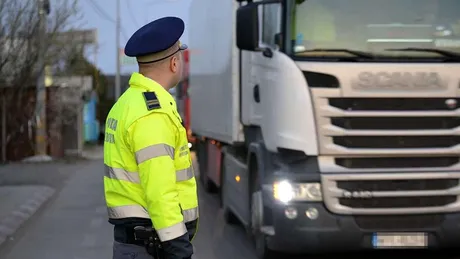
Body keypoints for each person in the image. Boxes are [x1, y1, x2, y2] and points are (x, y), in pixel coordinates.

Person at [103, 16, 199, 259]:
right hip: (152, 248)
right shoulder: (152, 114)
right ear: (174, 63)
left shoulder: (126, 103)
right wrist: (179, 247)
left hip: (137, 246)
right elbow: (159, 189)